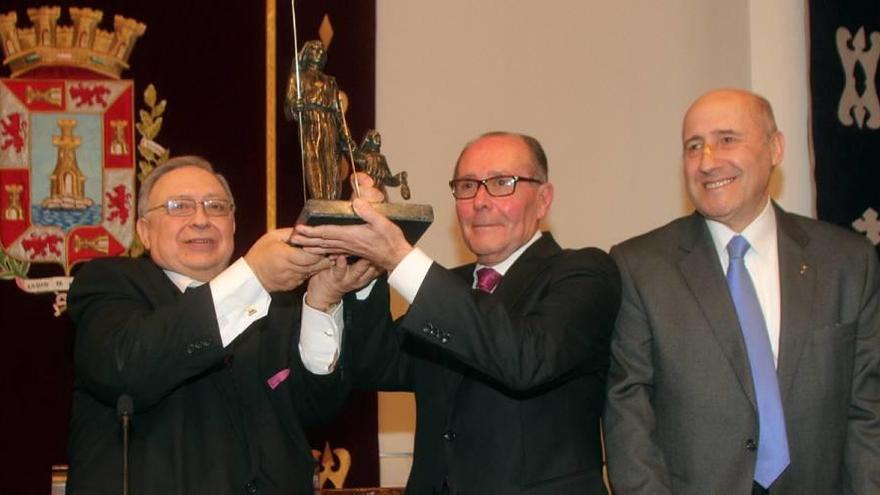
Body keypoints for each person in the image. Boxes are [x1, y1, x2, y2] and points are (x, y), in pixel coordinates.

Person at [293, 132, 621, 494]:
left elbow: (526, 359)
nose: (480, 200)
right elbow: (376, 365)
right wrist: (367, 272)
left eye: (501, 183)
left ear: (543, 200)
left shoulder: (584, 272)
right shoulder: (450, 290)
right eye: (467, 186)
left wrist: (399, 257)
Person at [603, 89, 880, 494]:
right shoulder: (640, 267)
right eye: (693, 146)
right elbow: (628, 416)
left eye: (727, 139)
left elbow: (868, 413)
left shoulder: (847, 262)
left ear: (775, 148)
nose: (708, 161)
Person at [66, 156, 380, 494]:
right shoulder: (109, 282)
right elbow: (125, 365)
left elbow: (316, 406)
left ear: (233, 224)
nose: (201, 219)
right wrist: (251, 276)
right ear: (144, 230)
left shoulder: (277, 302)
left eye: (216, 207)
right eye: (179, 206)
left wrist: (322, 301)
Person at [284, 40, 353, 200]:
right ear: (306, 53)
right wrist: (296, 106)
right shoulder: (298, 77)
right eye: (314, 49)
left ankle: (331, 203)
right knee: (315, 163)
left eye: (322, 50)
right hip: (311, 126)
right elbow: (289, 107)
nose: (319, 52)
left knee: (332, 167)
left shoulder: (330, 81)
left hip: (329, 125)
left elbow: (339, 114)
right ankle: (320, 202)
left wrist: (346, 137)